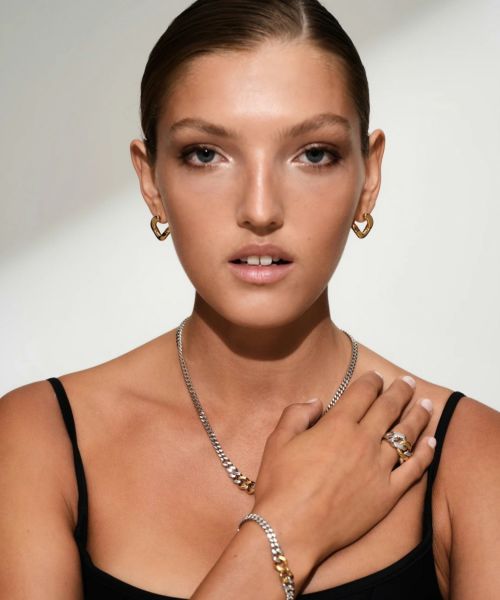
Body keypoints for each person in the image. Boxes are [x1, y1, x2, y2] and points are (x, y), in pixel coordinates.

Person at [1, 1, 499, 598]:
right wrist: (289, 529)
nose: (260, 210)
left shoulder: (472, 456)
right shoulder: (38, 439)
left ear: (368, 177)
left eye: (313, 153)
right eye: (205, 154)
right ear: (151, 180)